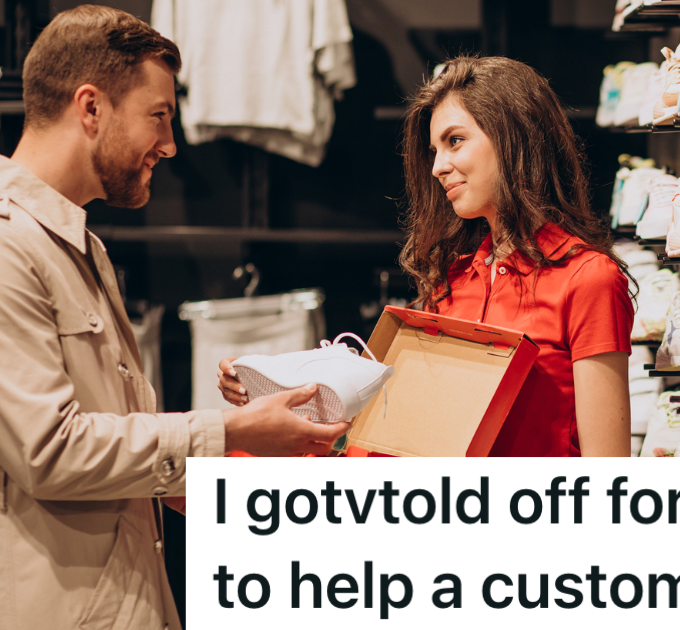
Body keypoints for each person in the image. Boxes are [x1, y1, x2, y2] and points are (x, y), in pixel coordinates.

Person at [0, 6, 348, 629]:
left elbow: (110, 446)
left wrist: (237, 471)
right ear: (91, 107)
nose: (170, 143)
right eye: (158, 116)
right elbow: (50, 452)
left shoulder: (76, 246)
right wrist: (230, 432)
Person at [219, 57, 635, 456]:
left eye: (455, 141)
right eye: (435, 149)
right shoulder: (455, 281)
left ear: (515, 136)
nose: (438, 167)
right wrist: (277, 388)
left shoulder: (588, 278)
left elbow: (607, 470)